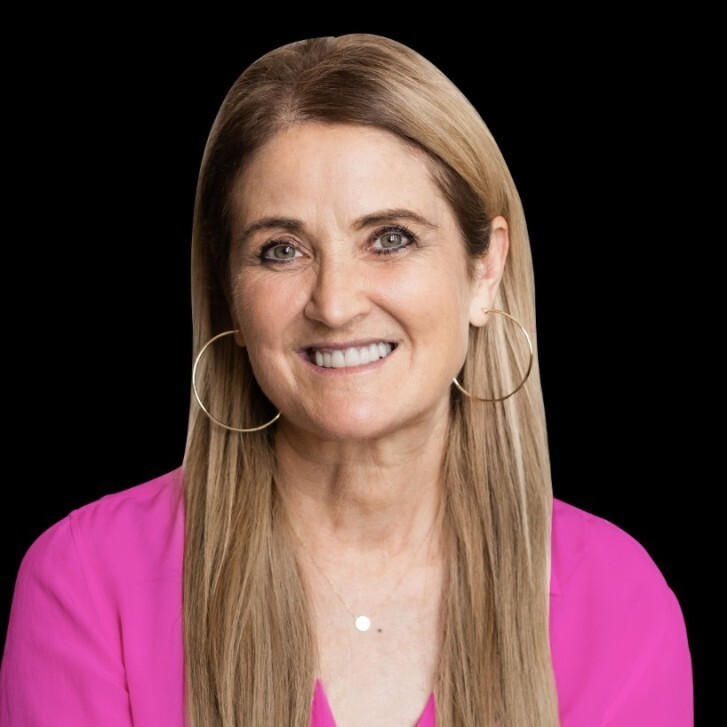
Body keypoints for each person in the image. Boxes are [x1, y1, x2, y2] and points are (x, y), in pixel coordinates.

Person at [0, 34, 692, 727]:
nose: (334, 303)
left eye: (389, 237)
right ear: (230, 295)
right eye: (281, 249)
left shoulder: (615, 597)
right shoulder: (88, 583)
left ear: (486, 270)